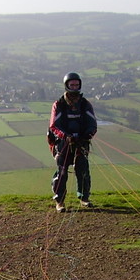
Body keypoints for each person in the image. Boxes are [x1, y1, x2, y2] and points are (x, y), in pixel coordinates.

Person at [48, 72, 97, 213]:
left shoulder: (85, 104)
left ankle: (84, 198)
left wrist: (87, 134)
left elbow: (92, 124)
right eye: (72, 85)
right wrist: (65, 136)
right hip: (63, 144)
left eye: (77, 85)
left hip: (81, 142)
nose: (75, 87)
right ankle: (60, 201)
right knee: (62, 172)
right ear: (66, 85)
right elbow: (53, 126)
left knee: (82, 170)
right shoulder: (59, 105)